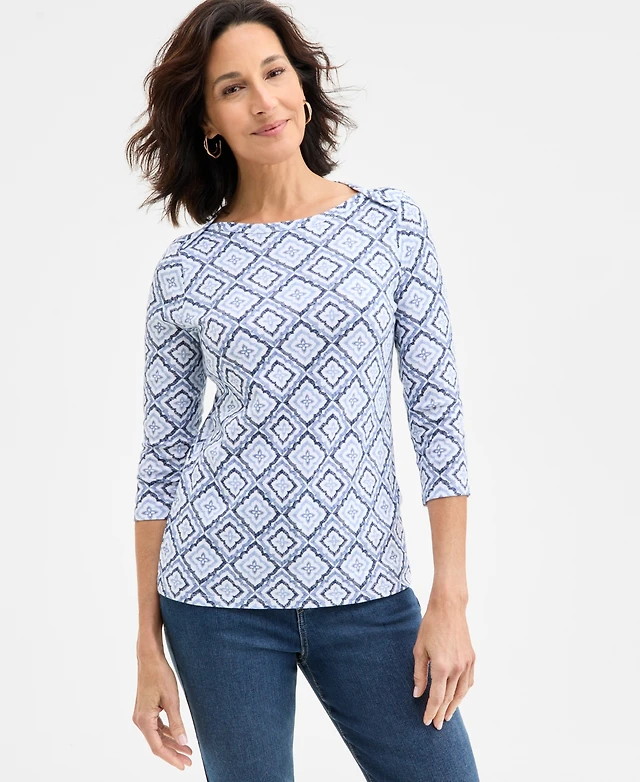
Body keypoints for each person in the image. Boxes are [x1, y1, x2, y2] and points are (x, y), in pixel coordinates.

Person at [126, 1, 480, 780]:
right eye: (233, 88)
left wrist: (449, 598)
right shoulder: (186, 270)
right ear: (208, 121)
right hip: (214, 600)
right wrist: (147, 646)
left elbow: (438, 417)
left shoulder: (390, 225)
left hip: (368, 593)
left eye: (274, 73)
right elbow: (163, 459)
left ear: (303, 85)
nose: (263, 101)